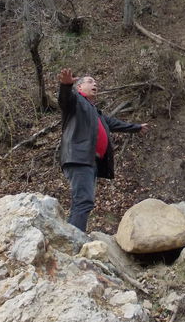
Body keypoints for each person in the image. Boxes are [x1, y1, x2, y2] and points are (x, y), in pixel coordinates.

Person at [58, 68, 149, 232]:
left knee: (84, 201)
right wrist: (65, 86)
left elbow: (115, 124)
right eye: (90, 81)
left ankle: (72, 236)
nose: (95, 84)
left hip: (89, 161)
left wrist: (136, 128)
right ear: (79, 88)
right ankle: (73, 239)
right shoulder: (76, 101)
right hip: (78, 158)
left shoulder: (95, 112)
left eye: (96, 82)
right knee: (83, 201)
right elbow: (65, 99)